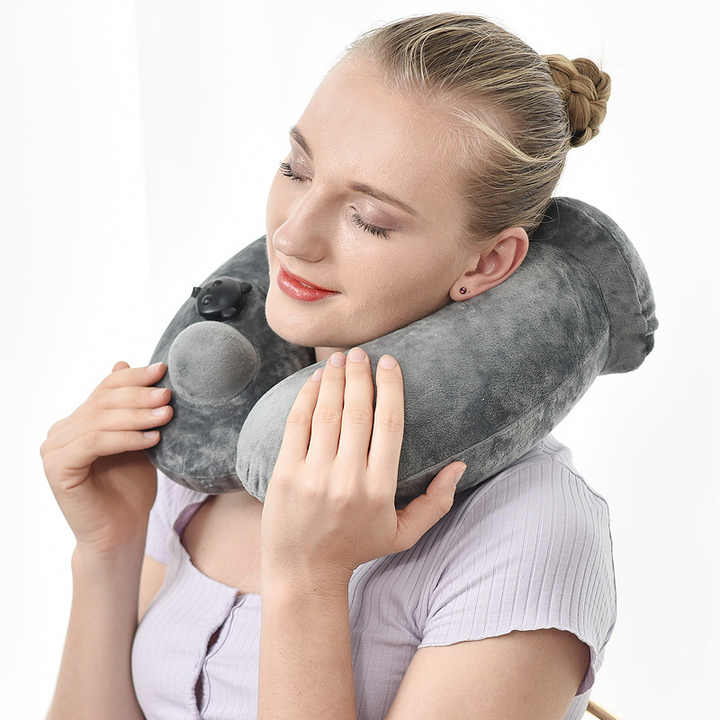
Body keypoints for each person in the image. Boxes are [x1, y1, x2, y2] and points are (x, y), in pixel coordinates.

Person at [42, 12, 616, 720]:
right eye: (297, 169)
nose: (292, 235)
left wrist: (309, 579)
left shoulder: (529, 529)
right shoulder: (207, 446)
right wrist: (108, 548)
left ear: (486, 263)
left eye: (369, 217)